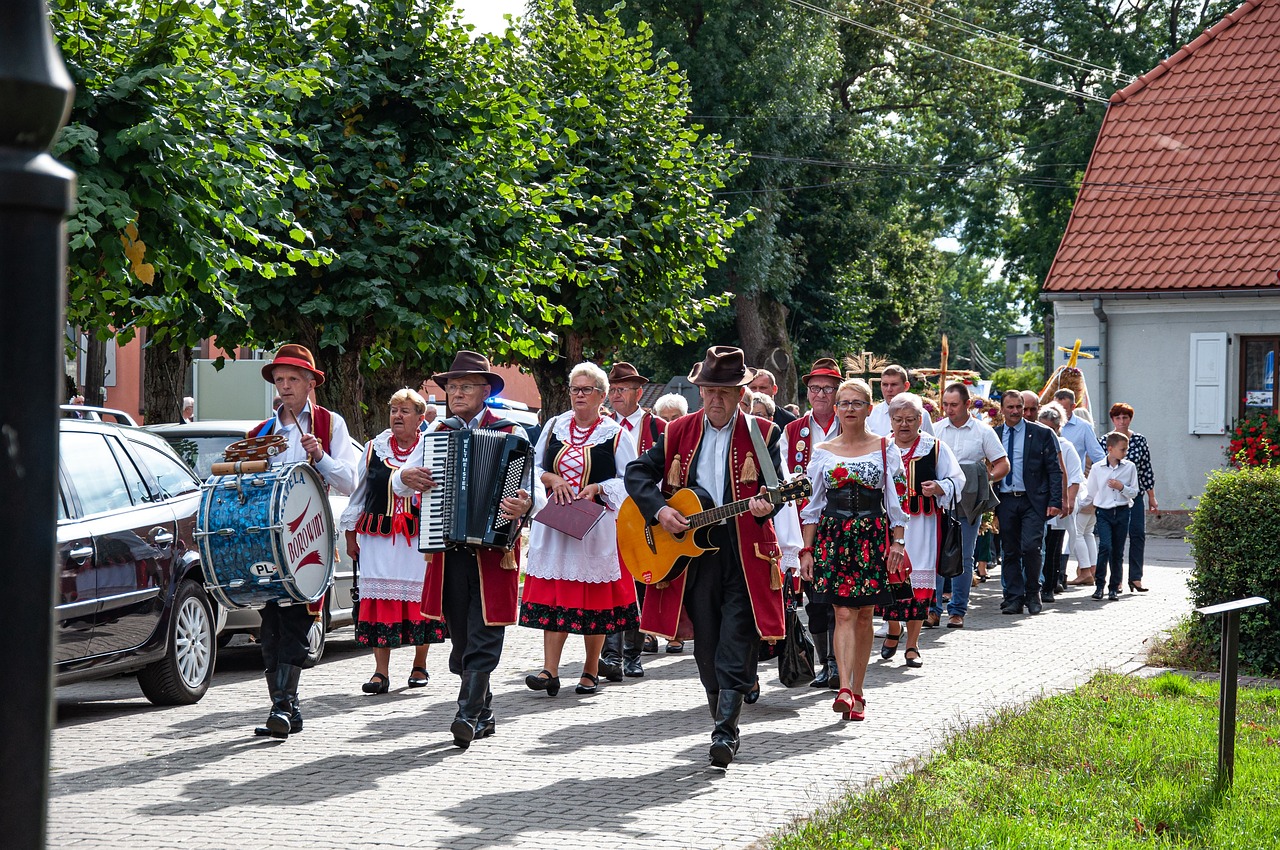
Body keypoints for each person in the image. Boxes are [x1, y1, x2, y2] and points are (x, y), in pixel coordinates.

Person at [624, 346, 786, 768]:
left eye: (725, 391)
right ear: (699, 391)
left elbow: (778, 489)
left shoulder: (764, 433)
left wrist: (771, 505)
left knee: (736, 637)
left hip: (744, 553)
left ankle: (725, 732)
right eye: (709, 390)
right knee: (707, 645)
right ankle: (721, 716)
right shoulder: (678, 431)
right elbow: (637, 473)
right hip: (693, 556)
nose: (715, 398)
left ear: (740, 394)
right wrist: (660, 510)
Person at [392, 351, 537, 749]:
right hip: (448, 546)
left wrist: (525, 504)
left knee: (485, 629)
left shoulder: (512, 432)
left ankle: (467, 714)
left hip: (494, 549)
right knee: (460, 635)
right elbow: (400, 484)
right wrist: (406, 475)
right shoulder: (437, 432)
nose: (456, 393)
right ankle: (485, 710)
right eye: (452, 386)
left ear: (485, 391)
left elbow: (532, 488)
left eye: (465, 386)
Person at [247, 344, 359, 739]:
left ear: (311, 383)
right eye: (280, 380)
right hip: (270, 538)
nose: (285, 387)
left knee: (297, 617)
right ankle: (284, 708)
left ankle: (284, 705)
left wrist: (321, 456)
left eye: (294, 379)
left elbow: (351, 480)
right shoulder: (261, 432)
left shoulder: (331, 425)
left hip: (308, 534)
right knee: (270, 620)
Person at [521, 363, 639, 697]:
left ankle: (590, 670)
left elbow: (630, 479)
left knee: (593, 601)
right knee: (555, 596)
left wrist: (599, 488)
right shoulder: (555, 425)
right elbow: (534, 466)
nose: (579, 395)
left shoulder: (616, 434)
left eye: (587, 390)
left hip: (595, 526)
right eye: (575, 389)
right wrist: (551, 479)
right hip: (556, 523)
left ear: (602, 396)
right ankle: (550, 670)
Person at [798, 378, 909, 721]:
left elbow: (898, 498)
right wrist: (806, 550)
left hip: (872, 536)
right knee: (843, 612)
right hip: (833, 536)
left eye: (856, 403)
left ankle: (858, 690)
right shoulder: (822, 452)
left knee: (864, 616)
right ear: (836, 408)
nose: (848, 409)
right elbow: (812, 505)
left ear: (869, 408)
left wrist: (898, 540)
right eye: (843, 403)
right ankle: (844, 687)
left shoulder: (885, 448)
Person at [340, 389, 447, 695]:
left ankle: (419, 665)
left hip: (417, 536)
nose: (398, 415)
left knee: (420, 598)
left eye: (405, 410)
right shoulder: (375, 447)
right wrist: (350, 535)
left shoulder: (430, 448)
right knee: (379, 600)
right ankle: (380, 672)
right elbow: (359, 493)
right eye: (394, 410)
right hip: (378, 536)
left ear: (420, 418)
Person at [878, 394, 963, 669]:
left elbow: (956, 479)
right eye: (898, 419)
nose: (904, 425)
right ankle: (893, 629)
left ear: (920, 420)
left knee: (918, 583)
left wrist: (940, 487)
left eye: (910, 419)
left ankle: (912, 645)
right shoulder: (880, 447)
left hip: (922, 523)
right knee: (889, 578)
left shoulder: (934, 447)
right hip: (889, 525)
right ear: (890, 420)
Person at [600, 362, 667, 679]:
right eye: (612, 389)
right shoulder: (601, 426)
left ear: (639, 392)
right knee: (608, 580)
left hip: (644, 517)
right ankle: (609, 655)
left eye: (621, 389)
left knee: (640, 581)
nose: (615, 395)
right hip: (607, 516)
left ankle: (632, 654)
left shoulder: (658, 427)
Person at [782, 357, 843, 689]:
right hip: (805, 524)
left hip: (843, 523)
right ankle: (826, 663)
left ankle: (839, 663)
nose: (820, 394)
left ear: (837, 392)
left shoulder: (850, 424)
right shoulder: (792, 430)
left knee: (840, 596)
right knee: (815, 596)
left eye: (827, 388)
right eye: (814, 388)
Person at [931, 382, 1009, 628]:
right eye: (945, 404)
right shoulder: (935, 430)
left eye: (953, 405)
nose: (948, 409)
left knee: (964, 557)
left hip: (968, 501)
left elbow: (1003, 464)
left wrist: (984, 480)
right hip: (939, 501)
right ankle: (933, 610)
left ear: (967, 404)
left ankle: (957, 611)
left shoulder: (983, 431)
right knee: (934, 556)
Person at [992, 390, 1063, 615]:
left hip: (1033, 500)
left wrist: (1055, 501)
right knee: (1010, 550)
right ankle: (1013, 597)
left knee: (1032, 547)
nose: (1015, 411)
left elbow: (1054, 469)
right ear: (1002, 409)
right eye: (1010, 407)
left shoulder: (1041, 433)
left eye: (1019, 407)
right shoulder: (994, 434)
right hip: (1005, 500)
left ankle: (1034, 592)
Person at [1079, 432, 1139, 601]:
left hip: (1122, 510)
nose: (1125, 452)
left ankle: (1114, 587)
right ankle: (1099, 585)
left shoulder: (1130, 467)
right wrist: (1079, 506)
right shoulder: (1098, 468)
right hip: (1104, 512)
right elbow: (1091, 493)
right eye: (1122, 449)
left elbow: (1134, 492)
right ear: (1110, 449)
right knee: (1105, 546)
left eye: (1126, 449)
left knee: (1118, 551)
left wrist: (1121, 487)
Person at [1105, 403, 1157, 592]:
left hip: (1135, 494)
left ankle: (1135, 577)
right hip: (1113, 497)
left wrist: (1152, 496)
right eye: (1118, 418)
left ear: (1130, 419)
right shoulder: (1106, 440)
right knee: (1116, 538)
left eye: (1125, 417)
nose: (1121, 421)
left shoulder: (1139, 440)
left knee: (1138, 534)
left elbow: (1146, 470)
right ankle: (1116, 580)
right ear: (1113, 420)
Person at [1037, 403, 1082, 602]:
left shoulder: (1066, 447)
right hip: (1039, 501)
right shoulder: (1034, 443)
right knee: (1039, 545)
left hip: (1056, 501)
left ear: (1057, 429)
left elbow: (1073, 477)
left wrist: (1067, 500)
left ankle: (1050, 583)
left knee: (1055, 544)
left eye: (1050, 429)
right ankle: (1041, 581)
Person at [867, 365, 935, 437]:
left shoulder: (922, 414)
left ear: (906, 386)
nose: (889, 389)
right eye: (885, 385)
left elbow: (931, 444)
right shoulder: (871, 415)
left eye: (894, 385)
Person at [1055, 389, 1104, 472]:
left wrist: (1108, 473)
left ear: (1073, 407)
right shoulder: (1046, 424)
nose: (1059, 412)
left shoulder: (1084, 426)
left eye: (1064, 409)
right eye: (1056, 408)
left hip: (1074, 480)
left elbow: (1097, 455)